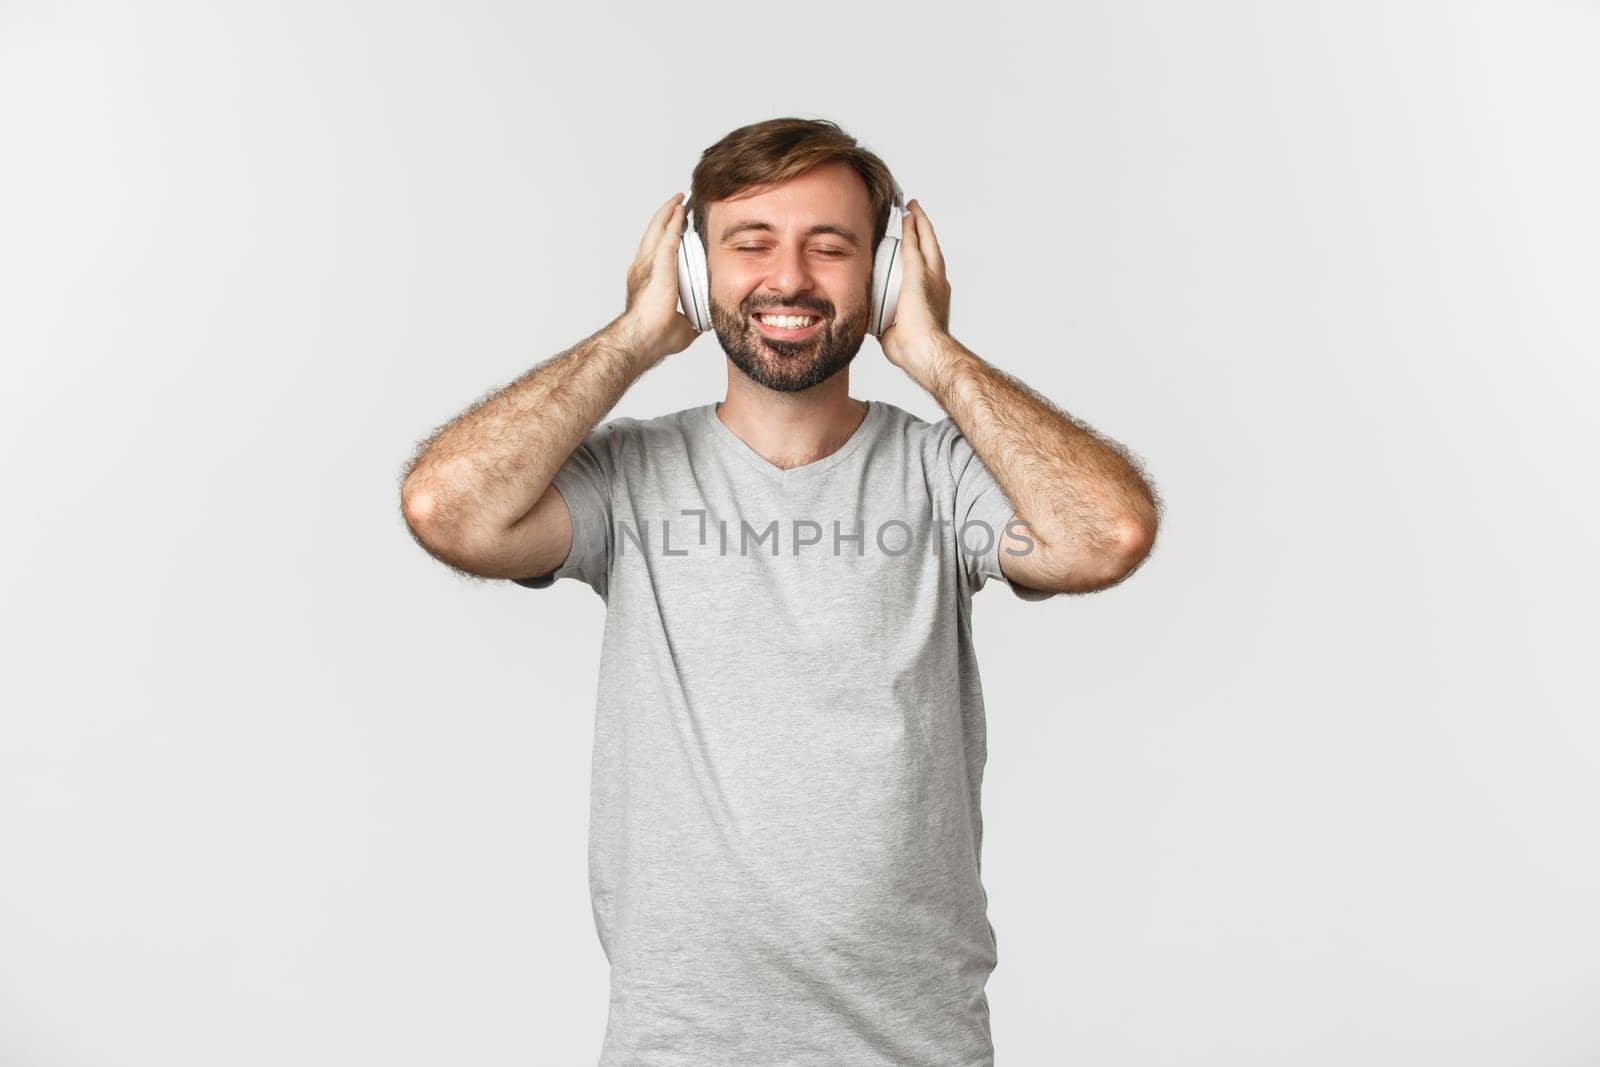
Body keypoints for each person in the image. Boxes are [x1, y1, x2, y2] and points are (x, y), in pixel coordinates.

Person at [400, 117, 1161, 1066]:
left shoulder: (941, 475)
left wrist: (934, 354)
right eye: (749, 244)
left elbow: (1107, 535)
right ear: (694, 269)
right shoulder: (630, 478)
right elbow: (446, 509)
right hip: (678, 1046)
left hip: (911, 1045)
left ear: (881, 275)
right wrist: (637, 334)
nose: (790, 278)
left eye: (829, 246)